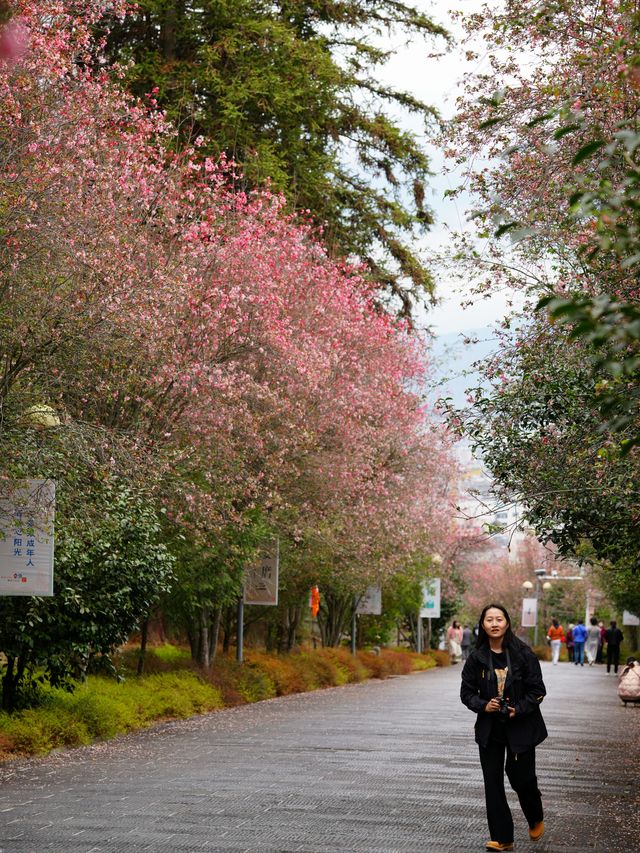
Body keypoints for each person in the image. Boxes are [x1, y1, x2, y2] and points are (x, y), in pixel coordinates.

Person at [460, 603, 547, 851]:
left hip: (520, 726)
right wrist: (483, 705)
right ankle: (503, 837)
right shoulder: (476, 658)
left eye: (499, 619)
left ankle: (535, 816)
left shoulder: (523, 654)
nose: (495, 623)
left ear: (507, 623)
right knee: (493, 782)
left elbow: (538, 691)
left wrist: (517, 709)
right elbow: (466, 693)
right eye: (489, 620)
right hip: (490, 728)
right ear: (483, 624)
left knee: (522, 779)